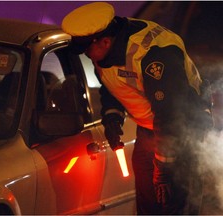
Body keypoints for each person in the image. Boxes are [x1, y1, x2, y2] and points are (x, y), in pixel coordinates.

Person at [61, 2, 213, 215]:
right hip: (151, 130)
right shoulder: (105, 51)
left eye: (87, 49)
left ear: (105, 42)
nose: (86, 55)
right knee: (149, 203)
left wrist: (164, 169)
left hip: (184, 132)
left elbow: (170, 115)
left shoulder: (154, 54)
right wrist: (112, 118)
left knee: (175, 203)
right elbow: (111, 86)